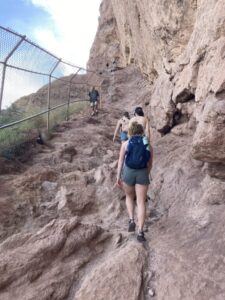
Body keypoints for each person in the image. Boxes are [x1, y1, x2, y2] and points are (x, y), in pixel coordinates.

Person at [116, 121, 153, 242]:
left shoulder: (126, 143)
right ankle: (140, 232)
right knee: (141, 202)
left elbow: (121, 161)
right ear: (142, 132)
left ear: (131, 132)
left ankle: (131, 219)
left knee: (129, 197)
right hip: (142, 172)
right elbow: (150, 164)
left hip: (128, 172)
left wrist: (118, 177)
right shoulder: (148, 145)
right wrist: (145, 174)